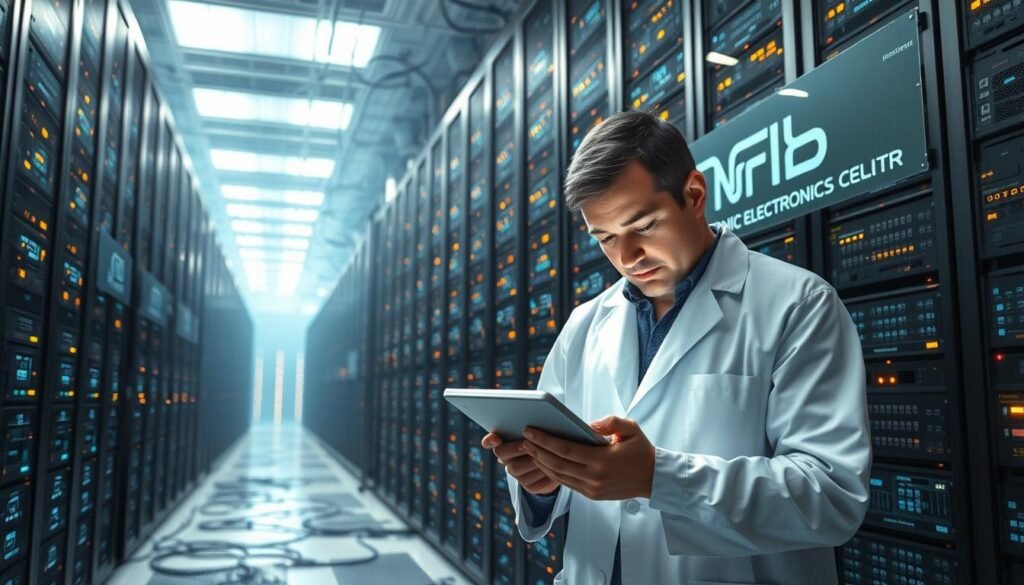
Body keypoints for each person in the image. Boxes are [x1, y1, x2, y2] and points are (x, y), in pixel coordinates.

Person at [481, 110, 871, 585]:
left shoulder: (798, 305)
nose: (626, 258)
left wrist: (658, 478)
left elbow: (831, 497)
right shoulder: (585, 325)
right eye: (605, 238)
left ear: (694, 194)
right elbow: (564, 484)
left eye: (642, 226)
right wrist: (542, 482)